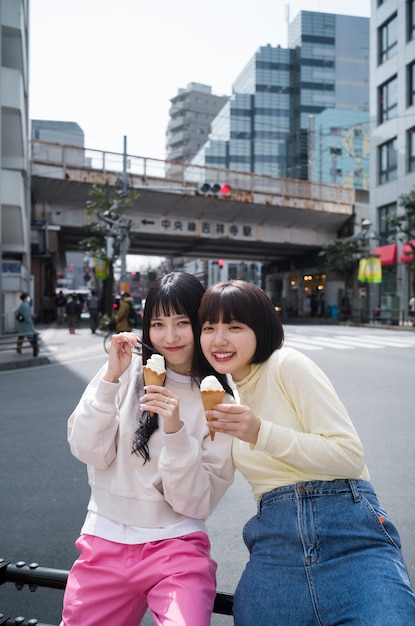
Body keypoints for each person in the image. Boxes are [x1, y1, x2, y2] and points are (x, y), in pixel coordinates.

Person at [198, 280, 415, 625]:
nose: (219, 339)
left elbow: (348, 455)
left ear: (261, 328)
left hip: (351, 538)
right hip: (275, 547)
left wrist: (261, 432)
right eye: (209, 328)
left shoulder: (287, 364)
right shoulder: (229, 402)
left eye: (234, 326)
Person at [60, 272, 234, 626]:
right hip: (104, 539)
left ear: (200, 323)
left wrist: (175, 432)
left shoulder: (218, 400)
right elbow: (87, 449)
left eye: (182, 322)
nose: (169, 336)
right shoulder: (122, 374)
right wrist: (110, 380)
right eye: (158, 323)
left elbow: (196, 502)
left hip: (177, 546)